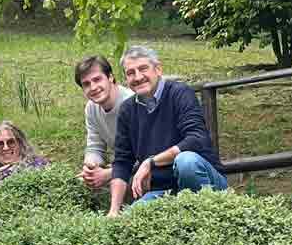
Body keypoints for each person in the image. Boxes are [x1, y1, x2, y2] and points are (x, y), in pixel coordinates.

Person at [108, 45, 226, 216]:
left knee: (186, 161)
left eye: (143, 69)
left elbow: (196, 139)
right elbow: (121, 162)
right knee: (130, 218)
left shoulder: (180, 93)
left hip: (202, 180)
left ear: (158, 69)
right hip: (163, 190)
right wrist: (113, 211)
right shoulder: (127, 110)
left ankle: (208, 216)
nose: (138, 77)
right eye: (130, 73)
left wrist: (151, 161)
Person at [75, 55, 133, 190]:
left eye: (97, 79)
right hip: (120, 166)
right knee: (79, 184)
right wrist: (90, 168)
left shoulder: (132, 104)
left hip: (146, 168)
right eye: (86, 84)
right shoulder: (91, 108)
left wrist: (108, 174)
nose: (93, 87)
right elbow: (95, 146)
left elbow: (146, 155)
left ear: (111, 77)